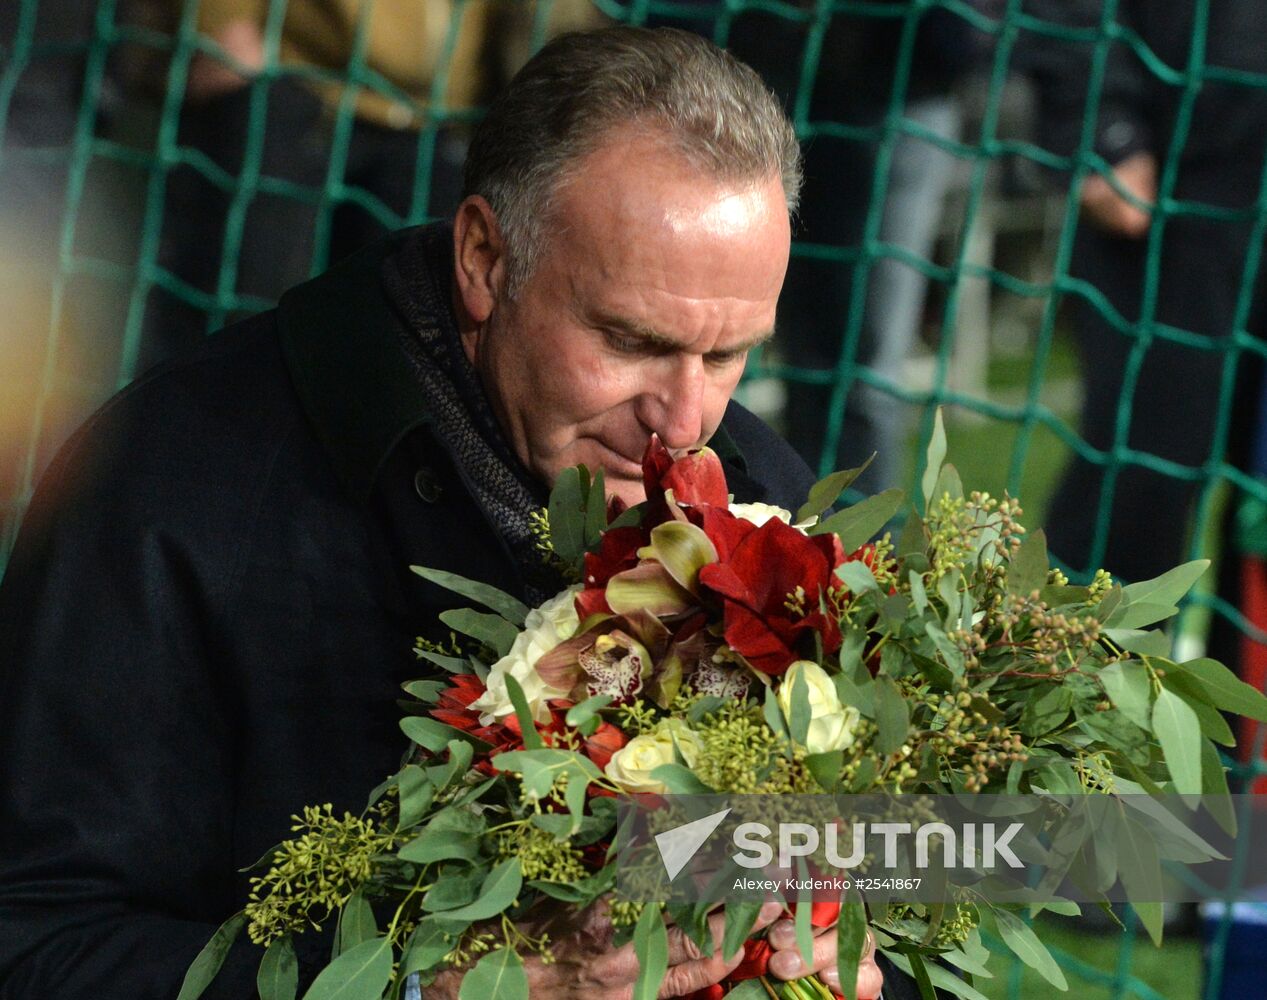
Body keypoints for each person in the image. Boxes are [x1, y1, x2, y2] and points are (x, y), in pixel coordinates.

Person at [0, 26, 893, 1000]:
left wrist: (836, 942)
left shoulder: (760, 490)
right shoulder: (169, 486)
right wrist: (433, 987)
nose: (684, 420)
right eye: (631, 340)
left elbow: (1014, 851)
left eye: (727, 355)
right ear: (482, 258)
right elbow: (37, 943)